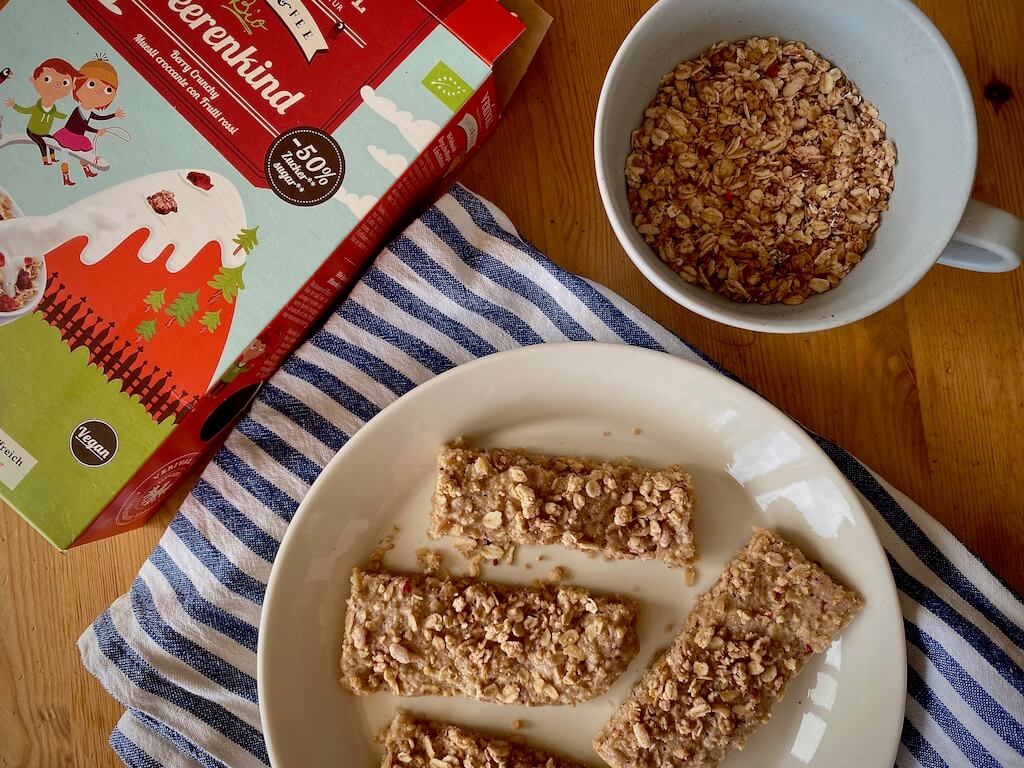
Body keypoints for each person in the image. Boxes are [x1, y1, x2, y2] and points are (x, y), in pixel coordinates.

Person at [53, 58, 125, 186]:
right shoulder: (78, 110)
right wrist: (96, 130)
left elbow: (98, 117)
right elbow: (82, 125)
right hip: (68, 135)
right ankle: (66, 178)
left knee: (83, 155)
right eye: (91, 84)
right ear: (76, 85)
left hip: (78, 136)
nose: (98, 91)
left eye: (108, 90)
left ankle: (87, 171)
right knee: (65, 157)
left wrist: (114, 114)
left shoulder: (89, 111)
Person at [4, 58, 79, 166]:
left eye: (64, 82)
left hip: (44, 132)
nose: (57, 84)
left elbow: (58, 115)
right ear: (33, 80)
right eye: (47, 79)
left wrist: (68, 117)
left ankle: (53, 158)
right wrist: (14, 106)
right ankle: (45, 160)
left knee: (53, 143)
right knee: (42, 144)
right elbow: (25, 110)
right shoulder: (36, 108)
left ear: (72, 86)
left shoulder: (53, 110)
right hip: (32, 131)